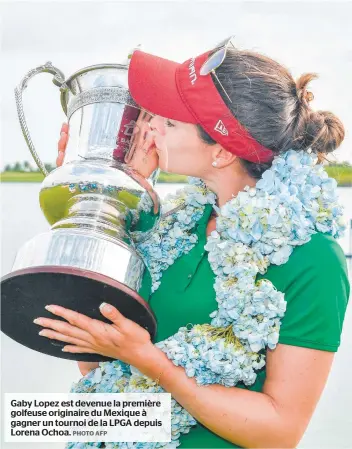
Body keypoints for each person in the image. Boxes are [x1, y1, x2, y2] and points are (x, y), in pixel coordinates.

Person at [37, 38, 350, 448]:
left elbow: (280, 432)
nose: (148, 126)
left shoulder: (313, 260)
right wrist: (98, 197)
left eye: (170, 122)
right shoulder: (170, 225)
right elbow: (97, 373)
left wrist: (151, 363)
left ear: (220, 152)